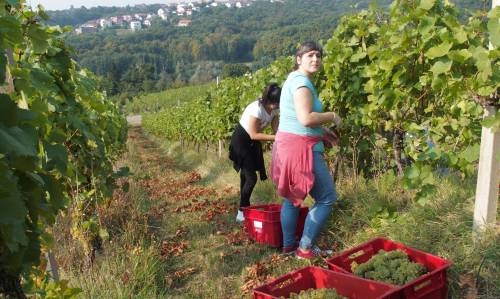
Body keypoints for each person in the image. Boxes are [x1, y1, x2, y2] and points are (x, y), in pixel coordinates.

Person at [270, 41, 342, 259]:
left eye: (318, 55)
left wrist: (323, 132)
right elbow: (305, 118)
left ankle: (289, 247)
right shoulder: (301, 82)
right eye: (310, 55)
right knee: (327, 197)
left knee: (292, 198)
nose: (315, 59)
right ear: (298, 59)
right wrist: (331, 116)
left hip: (289, 146)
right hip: (302, 150)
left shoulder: (293, 80)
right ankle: (305, 248)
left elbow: (299, 120)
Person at [229, 83, 281, 222]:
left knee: (246, 177)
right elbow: (253, 134)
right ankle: (241, 210)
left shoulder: (275, 109)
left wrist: (283, 135)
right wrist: (276, 138)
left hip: (252, 143)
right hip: (241, 140)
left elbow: (276, 127)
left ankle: (244, 207)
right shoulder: (256, 109)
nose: (276, 107)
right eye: (275, 104)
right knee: (251, 178)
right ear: (269, 101)